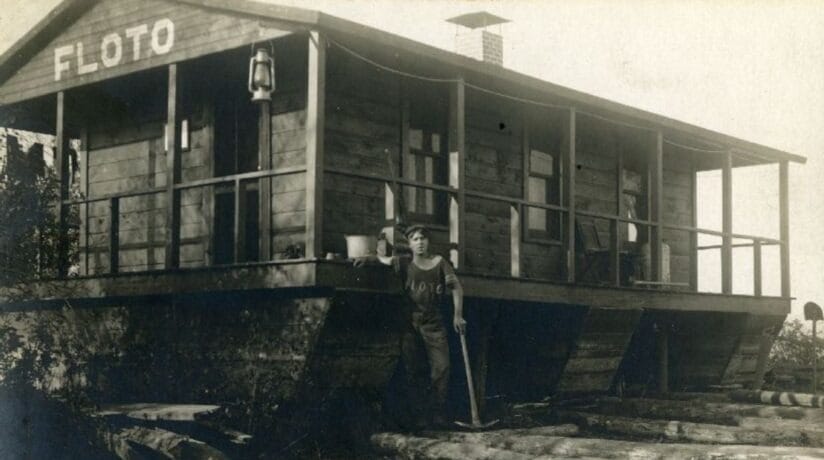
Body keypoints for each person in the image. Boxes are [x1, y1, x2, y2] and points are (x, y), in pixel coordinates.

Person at [355, 224, 465, 427]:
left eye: (423, 238)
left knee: (442, 367)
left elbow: (456, 286)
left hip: (434, 323)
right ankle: (420, 416)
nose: (420, 242)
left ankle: (437, 412)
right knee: (413, 370)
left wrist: (458, 316)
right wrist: (366, 259)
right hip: (411, 324)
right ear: (410, 244)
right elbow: (383, 260)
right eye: (415, 239)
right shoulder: (404, 263)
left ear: (428, 241)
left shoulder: (440, 262)